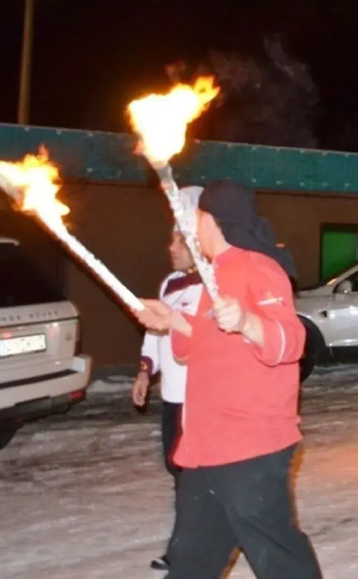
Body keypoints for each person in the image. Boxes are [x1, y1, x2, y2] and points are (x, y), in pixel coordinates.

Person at [133, 180, 322, 579]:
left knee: (277, 557)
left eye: (196, 216)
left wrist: (249, 322)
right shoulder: (212, 275)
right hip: (206, 447)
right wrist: (172, 322)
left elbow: (292, 340)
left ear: (213, 221)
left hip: (250, 447)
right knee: (191, 561)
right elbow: (196, 348)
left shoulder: (258, 266)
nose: (190, 226)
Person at [132, 187, 205, 572]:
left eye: (179, 239)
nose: (170, 245)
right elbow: (155, 332)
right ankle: (188, 543)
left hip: (201, 399)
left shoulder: (211, 285)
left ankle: (189, 549)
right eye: (172, 237)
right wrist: (146, 370)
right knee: (177, 469)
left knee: (194, 475)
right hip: (173, 398)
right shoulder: (170, 284)